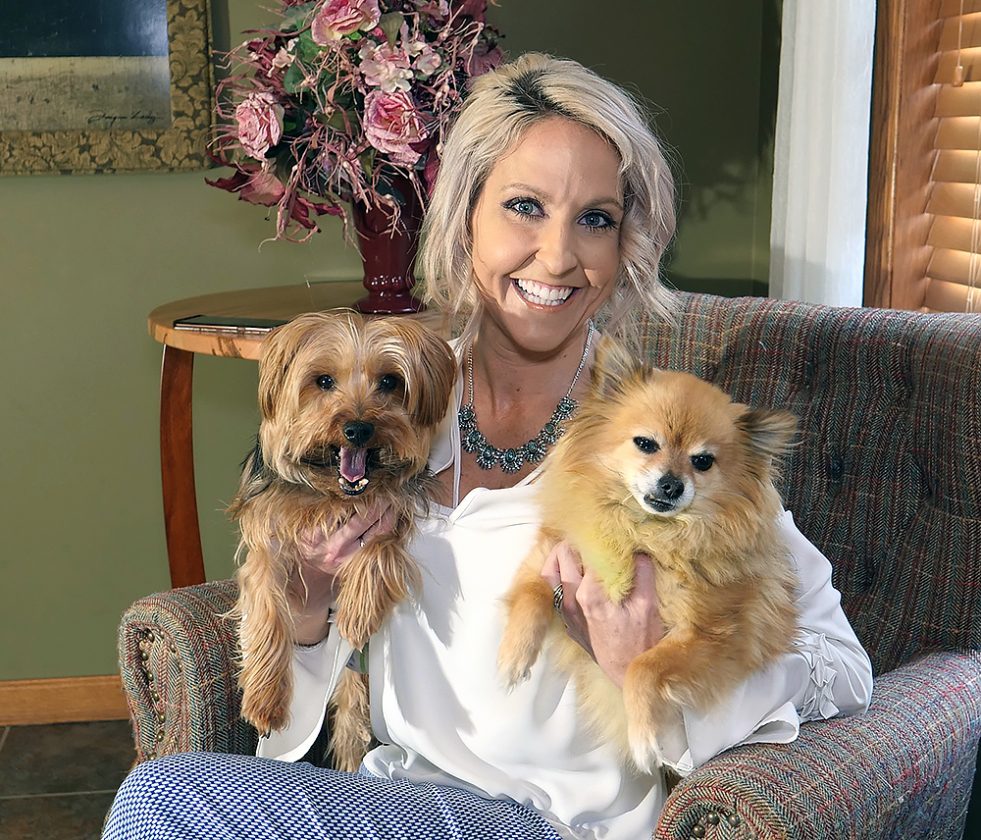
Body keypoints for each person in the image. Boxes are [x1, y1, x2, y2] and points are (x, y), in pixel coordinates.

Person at [103, 53, 872, 840]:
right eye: (523, 206)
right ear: (463, 214)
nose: (558, 255)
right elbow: (293, 724)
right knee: (165, 798)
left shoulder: (663, 443)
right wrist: (305, 603)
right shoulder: (396, 401)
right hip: (399, 801)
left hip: (562, 826)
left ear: (626, 244)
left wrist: (649, 664)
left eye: (595, 219)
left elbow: (843, 670)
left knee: (163, 804)